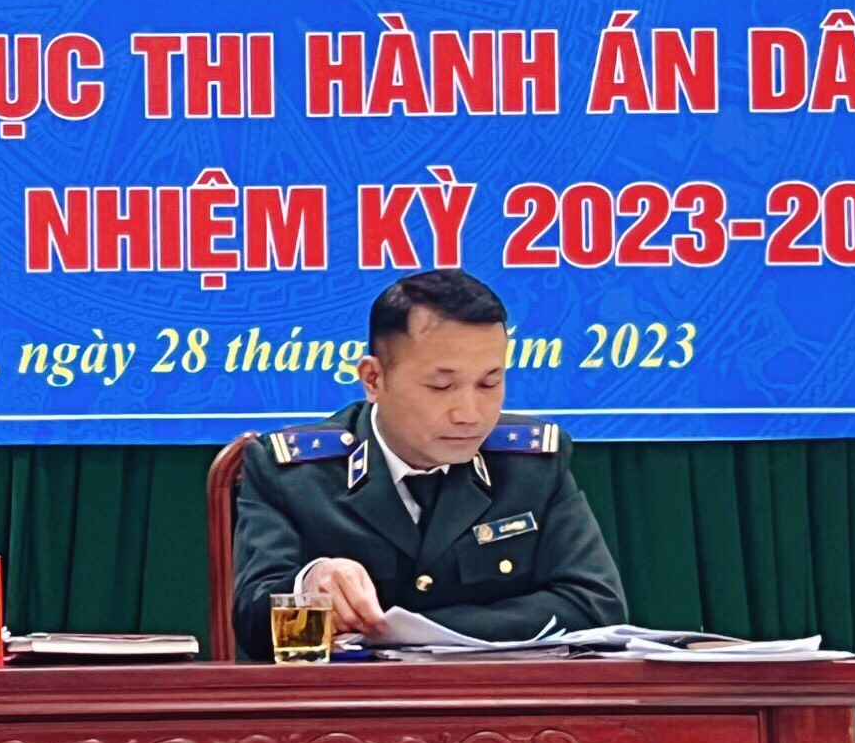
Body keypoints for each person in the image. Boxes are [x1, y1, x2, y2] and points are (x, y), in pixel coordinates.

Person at [232, 268, 625, 659]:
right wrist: (307, 586)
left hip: (497, 694)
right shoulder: (294, 473)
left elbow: (594, 605)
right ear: (373, 379)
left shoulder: (531, 466)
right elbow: (252, 626)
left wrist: (411, 633)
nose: (470, 414)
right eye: (441, 386)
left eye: (489, 383)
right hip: (353, 698)